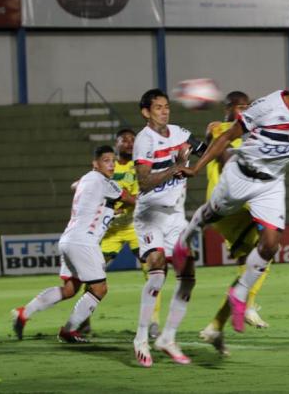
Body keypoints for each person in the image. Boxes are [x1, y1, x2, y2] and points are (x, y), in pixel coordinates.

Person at [176, 76, 289, 333]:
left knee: (271, 244)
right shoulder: (269, 106)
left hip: (271, 184)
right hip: (241, 175)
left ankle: (240, 294)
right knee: (210, 214)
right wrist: (196, 167)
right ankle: (186, 237)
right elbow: (227, 136)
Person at [12, 146, 126, 343]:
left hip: (70, 239)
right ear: (95, 164)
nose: (111, 164)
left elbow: (79, 188)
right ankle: (69, 330)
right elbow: (129, 198)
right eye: (106, 160)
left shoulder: (90, 183)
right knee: (100, 289)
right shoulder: (102, 181)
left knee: (70, 289)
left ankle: (24, 312)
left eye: (113, 160)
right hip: (84, 242)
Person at [131, 88, 207, 367]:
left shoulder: (179, 132)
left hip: (176, 215)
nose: (164, 111)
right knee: (157, 271)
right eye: (158, 107)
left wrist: (222, 136)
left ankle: (167, 337)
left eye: (166, 106)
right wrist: (174, 168)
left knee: (188, 276)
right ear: (146, 112)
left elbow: (204, 148)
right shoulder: (144, 140)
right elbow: (143, 182)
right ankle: (141, 337)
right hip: (150, 213)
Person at [198, 91, 271, 356]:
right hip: (231, 203)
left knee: (249, 267)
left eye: (247, 107)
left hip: (228, 213)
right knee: (270, 244)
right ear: (227, 108)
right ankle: (248, 305)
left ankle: (216, 327)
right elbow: (225, 154)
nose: (243, 110)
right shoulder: (223, 128)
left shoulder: (241, 131)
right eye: (239, 107)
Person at [95, 128, 163, 339]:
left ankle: (153, 321)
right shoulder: (108, 167)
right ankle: (83, 319)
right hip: (110, 230)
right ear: (116, 144)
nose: (129, 143)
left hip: (136, 226)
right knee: (94, 272)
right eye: (124, 139)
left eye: (133, 139)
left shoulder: (141, 166)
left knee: (152, 269)